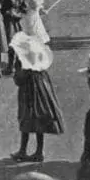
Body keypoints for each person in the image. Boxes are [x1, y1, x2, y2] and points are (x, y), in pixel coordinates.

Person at [9, 33, 65, 163]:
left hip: (27, 94)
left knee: (25, 120)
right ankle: (39, 151)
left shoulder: (22, 63)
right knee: (40, 121)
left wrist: (15, 73)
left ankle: (23, 150)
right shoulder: (40, 65)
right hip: (42, 93)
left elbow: (19, 80)